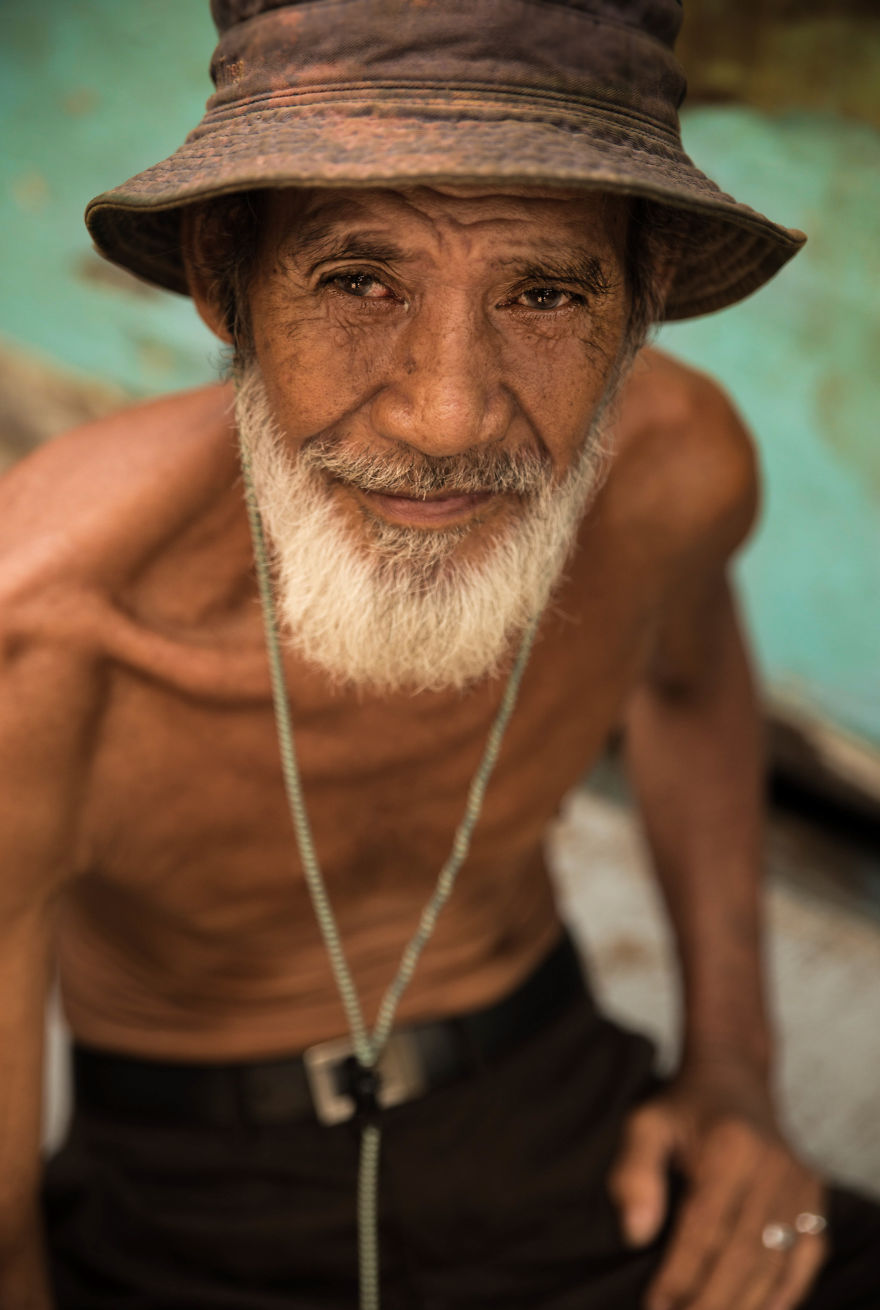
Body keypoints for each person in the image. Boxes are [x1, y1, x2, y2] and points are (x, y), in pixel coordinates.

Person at [1, 0, 878, 1307]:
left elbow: (694, 684)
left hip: (560, 1097)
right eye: (359, 281)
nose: (448, 414)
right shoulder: (47, 633)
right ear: (226, 281)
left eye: (545, 293)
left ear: (640, 304)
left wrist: (735, 1069)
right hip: (188, 1194)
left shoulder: (671, 473)